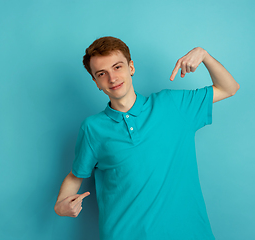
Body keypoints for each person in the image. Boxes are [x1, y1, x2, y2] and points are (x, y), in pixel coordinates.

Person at [54, 36, 239, 240]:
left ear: (131, 67)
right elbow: (76, 176)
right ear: (96, 81)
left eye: (117, 67)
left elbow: (228, 88)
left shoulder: (172, 105)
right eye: (102, 73)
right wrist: (61, 205)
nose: (112, 78)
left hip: (189, 233)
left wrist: (204, 55)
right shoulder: (92, 128)